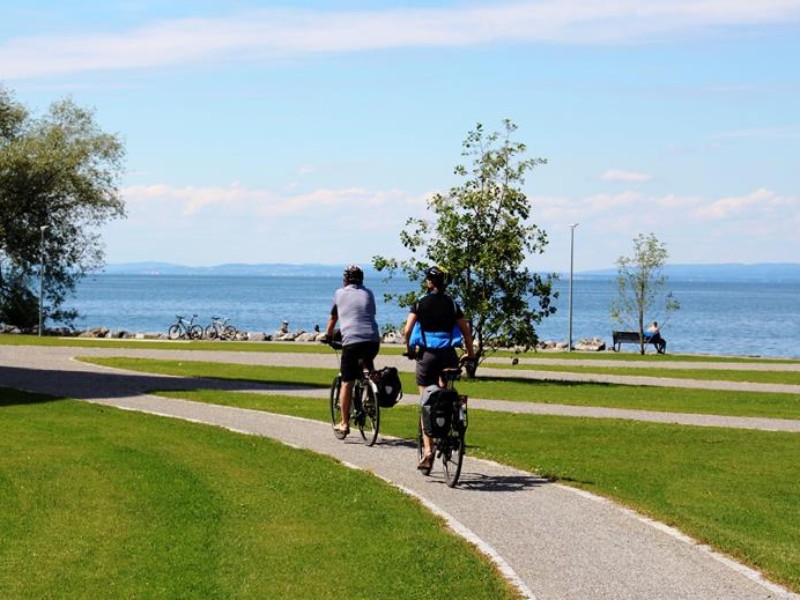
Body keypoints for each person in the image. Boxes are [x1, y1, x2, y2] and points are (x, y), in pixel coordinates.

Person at [403, 265, 475, 470]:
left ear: (429, 282)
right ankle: (451, 423)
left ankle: (428, 452)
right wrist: (470, 354)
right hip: (449, 356)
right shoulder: (452, 304)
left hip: (427, 356)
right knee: (446, 392)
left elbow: (408, 329)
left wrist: (409, 349)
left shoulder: (419, 303)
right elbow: (466, 332)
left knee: (426, 400)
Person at [324, 265, 380, 437]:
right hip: (372, 340)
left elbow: (334, 317)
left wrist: (327, 335)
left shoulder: (339, 293)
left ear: (345, 279)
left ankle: (344, 423)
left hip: (352, 342)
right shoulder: (369, 293)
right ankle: (371, 390)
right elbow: (370, 313)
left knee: (347, 381)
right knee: (366, 364)